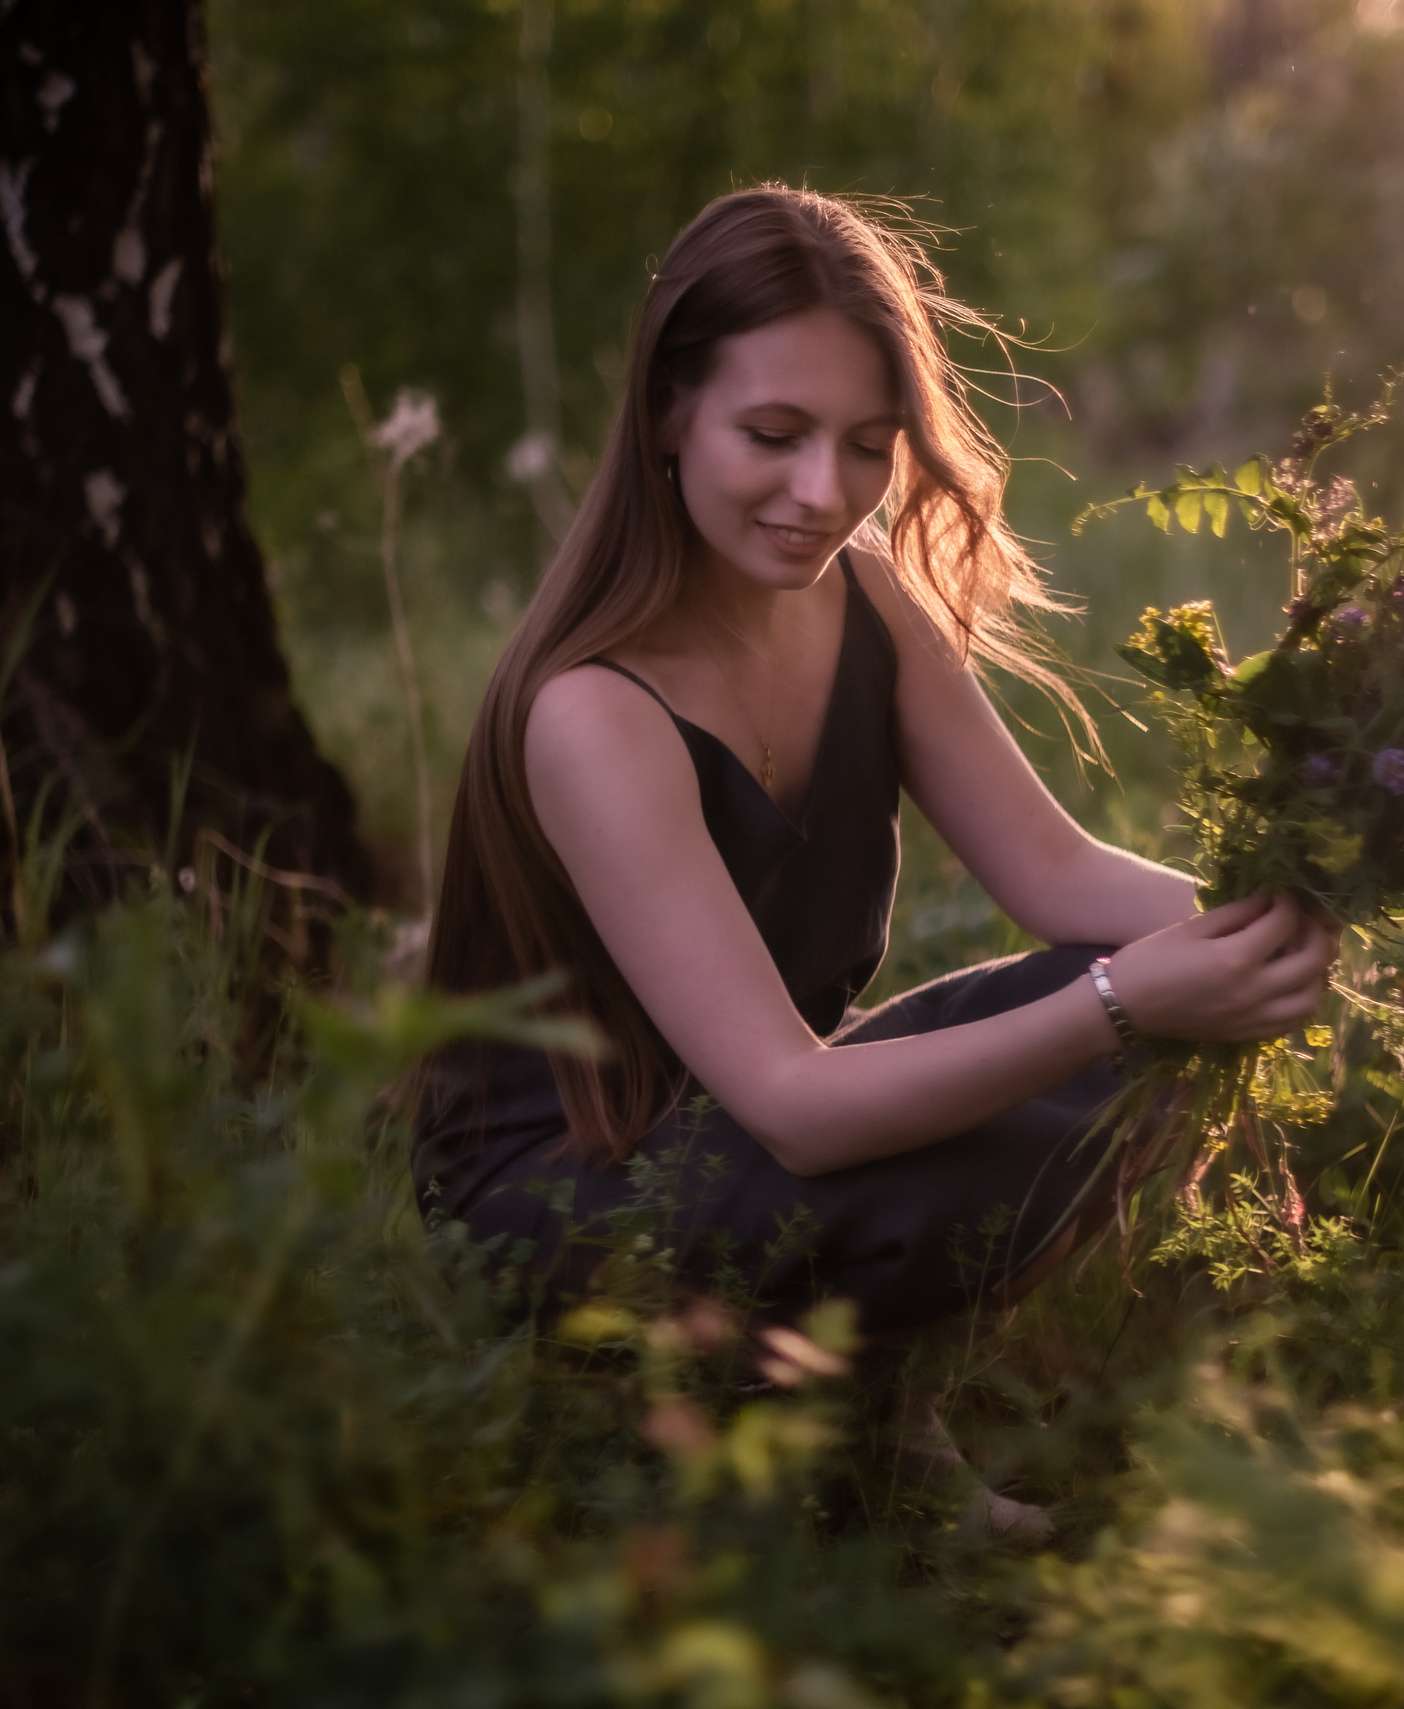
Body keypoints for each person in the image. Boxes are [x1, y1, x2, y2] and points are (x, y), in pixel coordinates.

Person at [414, 186, 1335, 1528]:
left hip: (755, 1127)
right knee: (1068, 1056)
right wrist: (1124, 1001)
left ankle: (861, 1421)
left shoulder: (864, 599)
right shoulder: (594, 711)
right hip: (570, 1199)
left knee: (1126, 1036)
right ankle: (751, 1441)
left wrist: (1274, 920)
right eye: (773, 435)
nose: (820, 493)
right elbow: (796, 1102)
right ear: (671, 409)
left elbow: (1059, 878)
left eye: (866, 445)